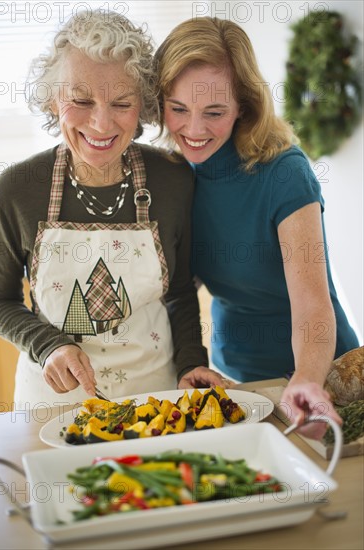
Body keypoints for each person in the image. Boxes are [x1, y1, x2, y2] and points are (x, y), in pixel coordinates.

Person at [0, 11, 227, 409]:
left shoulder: (172, 180)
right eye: (81, 101)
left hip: (155, 401)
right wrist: (47, 345)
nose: (101, 123)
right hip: (53, 404)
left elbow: (181, 290)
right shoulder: (16, 188)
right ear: (53, 100)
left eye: (121, 103)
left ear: (144, 107)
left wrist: (191, 362)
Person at [155, 16, 360, 438]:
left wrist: (306, 378)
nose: (193, 130)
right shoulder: (174, 174)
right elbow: (173, 289)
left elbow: (311, 304)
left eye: (214, 112)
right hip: (237, 379)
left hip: (323, 374)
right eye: (178, 109)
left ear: (243, 106)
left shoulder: (284, 172)